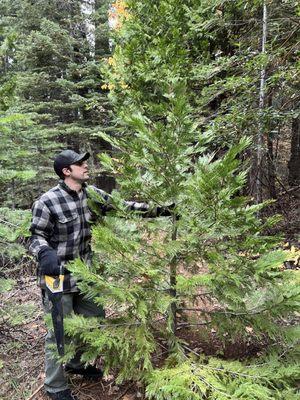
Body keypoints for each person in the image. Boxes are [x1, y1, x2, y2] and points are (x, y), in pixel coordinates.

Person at [29, 149, 171, 400]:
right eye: (80, 164)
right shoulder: (47, 201)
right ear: (66, 171)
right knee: (58, 331)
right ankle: (55, 385)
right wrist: (44, 253)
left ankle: (77, 363)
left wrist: (161, 210)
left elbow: (124, 207)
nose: (86, 166)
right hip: (56, 275)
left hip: (86, 272)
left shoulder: (92, 195)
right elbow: (33, 236)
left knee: (92, 319)